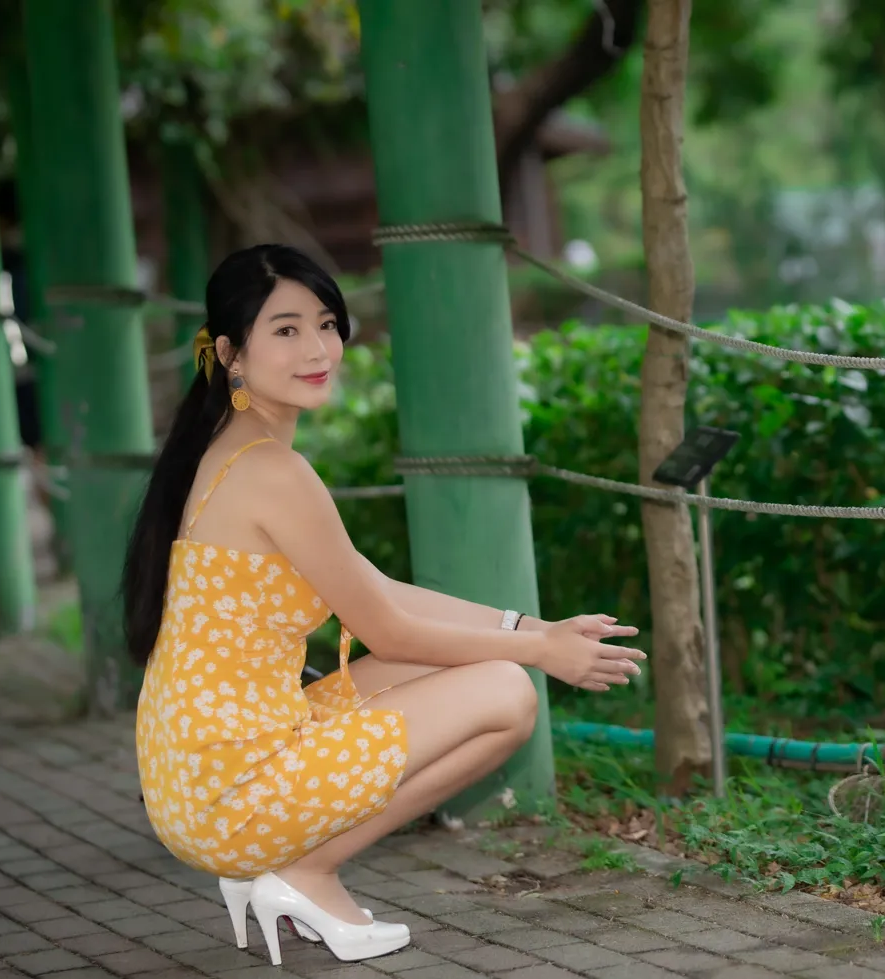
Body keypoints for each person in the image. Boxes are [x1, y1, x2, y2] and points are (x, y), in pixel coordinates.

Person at [122, 243, 645, 967]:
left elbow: (380, 592)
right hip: (231, 791)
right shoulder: (273, 470)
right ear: (231, 354)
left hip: (197, 776)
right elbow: (385, 623)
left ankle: (278, 867)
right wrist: (539, 653)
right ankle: (303, 870)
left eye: (327, 323)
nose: (318, 348)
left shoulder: (229, 451)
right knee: (506, 692)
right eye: (285, 329)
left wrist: (530, 625)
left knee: (435, 664)